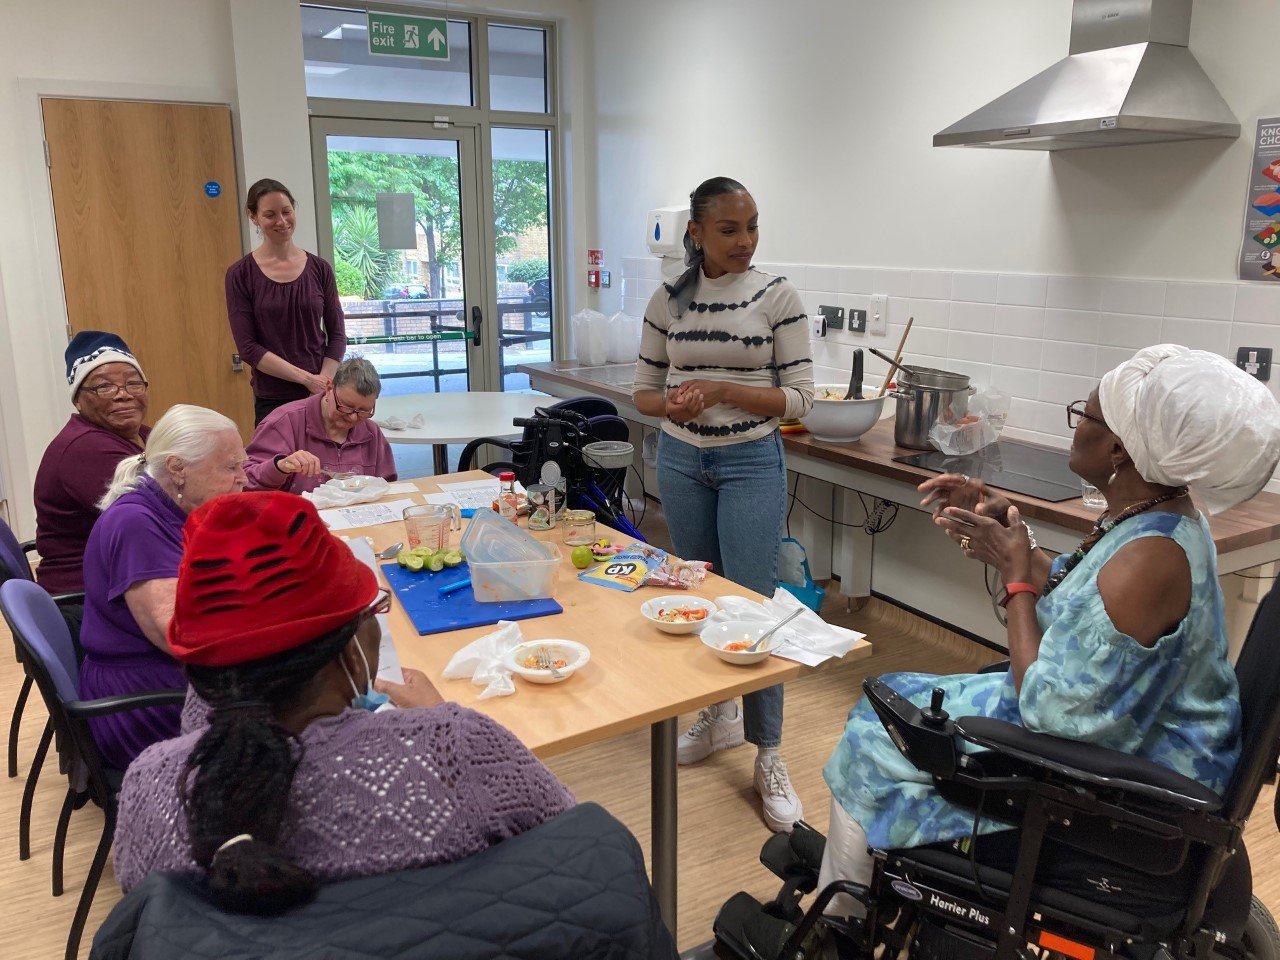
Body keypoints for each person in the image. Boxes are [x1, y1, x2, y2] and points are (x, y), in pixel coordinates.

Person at [819, 344, 1280, 910]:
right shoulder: (1160, 520)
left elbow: (1049, 709)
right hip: (1114, 730)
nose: (1076, 426)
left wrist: (1017, 579)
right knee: (887, 702)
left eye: (1083, 414)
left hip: (1131, 786)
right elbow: (1087, 603)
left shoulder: (1151, 557)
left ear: (1119, 447)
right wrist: (1010, 541)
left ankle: (841, 919)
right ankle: (856, 893)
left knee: (874, 737)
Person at [112, 491, 575, 911]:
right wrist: (437, 717)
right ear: (350, 650)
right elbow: (575, 856)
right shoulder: (457, 747)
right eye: (373, 610)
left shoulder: (150, 787)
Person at [632, 177, 814, 833]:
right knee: (701, 597)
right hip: (681, 459)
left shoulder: (777, 295)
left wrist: (722, 390)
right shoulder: (667, 298)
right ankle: (714, 712)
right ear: (697, 235)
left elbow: (800, 400)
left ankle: (768, 754)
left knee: (754, 609)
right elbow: (645, 393)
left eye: (753, 227)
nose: (745, 241)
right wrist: (677, 402)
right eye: (730, 230)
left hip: (750, 463)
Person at [79, 405, 248, 770]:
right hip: (147, 700)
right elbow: (180, 636)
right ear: (177, 468)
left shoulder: (172, 509)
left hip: (159, 676)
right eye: (231, 467)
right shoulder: (136, 524)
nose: (244, 479)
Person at [33, 332, 152, 632]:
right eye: (104, 386)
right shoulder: (86, 448)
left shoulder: (145, 436)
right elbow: (166, 509)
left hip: (121, 582)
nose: (123, 394)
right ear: (78, 399)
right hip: (88, 605)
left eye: (133, 383)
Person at [226, 178, 347, 426]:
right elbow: (248, 347)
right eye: (270, 215)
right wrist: (305, 379)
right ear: (254, 217)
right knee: (282, 465)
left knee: (326, 465)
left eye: (286, 211)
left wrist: (322, 381)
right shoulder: (240, 274)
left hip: (321, 395)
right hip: (273, 399)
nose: (281, 221)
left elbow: (337, 335)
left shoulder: (320, 269)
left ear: (294, 209)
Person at [243, 357, 397, 495]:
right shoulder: (283, 423)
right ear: (329, 388)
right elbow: (245, 481)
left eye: (364, 411)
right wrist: (279, 466)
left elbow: (389, 486)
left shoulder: (370, 431)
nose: (353, 417)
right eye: (346, 406)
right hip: (297, 519)